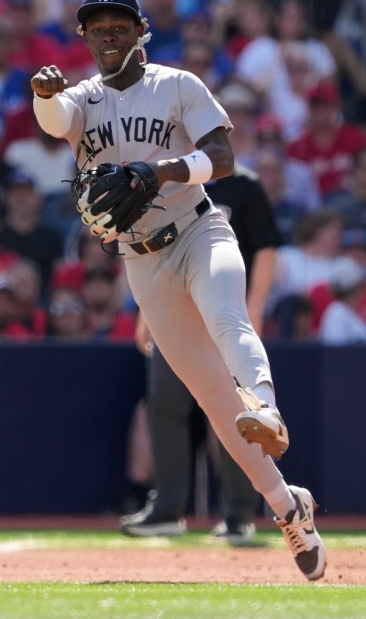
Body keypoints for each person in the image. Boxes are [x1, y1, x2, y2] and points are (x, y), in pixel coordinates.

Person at [29, 0, 326, 581]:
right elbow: (55, 122)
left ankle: (268, 408)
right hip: (142, 261)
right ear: (84, 36)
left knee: (227, 318)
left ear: (141, 30)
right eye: (97, 27)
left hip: (199, 231)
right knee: (216, 402)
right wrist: (43, 94)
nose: (108, 34)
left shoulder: (177, 85)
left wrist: (158, 169)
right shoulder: (81, 98)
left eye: (119, 25)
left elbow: (223, 159)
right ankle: (289, 507)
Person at [123, 164, 282, 544]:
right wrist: (147, 312)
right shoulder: (165, 179)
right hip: (173, 311)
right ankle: (166, 509)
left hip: (222, 313)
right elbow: (150, 251)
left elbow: (265, 249)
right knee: (164, 404)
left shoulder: (243, 184)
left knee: (235, 410)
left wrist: (254, 308)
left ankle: (239, 514)